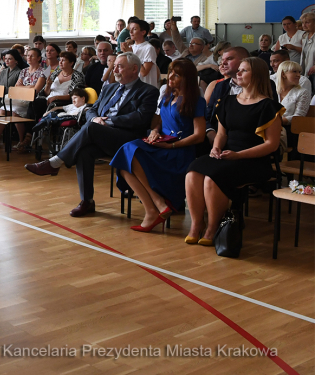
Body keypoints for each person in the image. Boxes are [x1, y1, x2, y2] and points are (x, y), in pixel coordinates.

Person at [24, 53, 160, 217]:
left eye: (120, 66)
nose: (114, 69)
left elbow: (140, 118)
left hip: (127, 140)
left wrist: (108, 121)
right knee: (84, 151)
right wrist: (95, 118)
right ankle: (87, 201)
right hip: (101, 133)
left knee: (91, 128)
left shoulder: (148, 91)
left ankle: (54, 163)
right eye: (114, 65)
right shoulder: (109, 87)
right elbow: (91, 109)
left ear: (134, 69)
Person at [185, 58, 282, 246]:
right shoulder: (228, 101)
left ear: (257, 75)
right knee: (193, 171)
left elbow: (272, 144)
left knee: (212, 177)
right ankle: (197, 224)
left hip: (254, 160)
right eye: (239, 70)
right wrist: (215, 148)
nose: (238, 73)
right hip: (228, 154)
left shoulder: (268, 106)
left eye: (243, 70)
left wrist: (238, 155)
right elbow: (221, 134)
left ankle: (213, 228)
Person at [110, 59, 206, 231]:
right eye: (170, 72)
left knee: (129, 150)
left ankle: (157, 207)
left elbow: (199, 135)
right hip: (163, 144)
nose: (170, 77)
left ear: (187, 78)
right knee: (124, 163)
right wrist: (155, 131)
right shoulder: (167, 96)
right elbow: (159, 122)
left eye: (177, 75)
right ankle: (155, 205)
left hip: (179, 151)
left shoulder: (197, 101)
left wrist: (173, 146)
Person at [4, 47, 48, 151]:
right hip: (21, 97)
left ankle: (25, 138)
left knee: (14, 110)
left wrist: (23, 87)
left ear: (38, 58)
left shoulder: (45, 71)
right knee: (4, 106)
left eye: (32, 56)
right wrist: (29, 86)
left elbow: (36, 90)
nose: (29, 57)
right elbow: (15, 87)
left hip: (35, 98)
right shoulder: (23, 71)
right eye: (28, 55)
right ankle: (1, 138)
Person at [203, 46, 248, 145]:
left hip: (245, 141)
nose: (223, 63)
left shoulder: (262, 85)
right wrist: (210, 132)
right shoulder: (220, 86)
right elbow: (208, 115)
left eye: (229, 59)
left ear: (244, 61)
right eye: (223, 60)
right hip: (217, 138)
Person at [275, 61, 311, 137]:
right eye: (294, 71)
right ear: (283, 74)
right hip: (271, 128)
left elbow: (298, 117)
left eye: (299, 72)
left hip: (290, 131)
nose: (298, 75)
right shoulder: (273, 90)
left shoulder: (303, 92)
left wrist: (275, 122)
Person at [123, 21, 159, 88]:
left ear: (143, 32)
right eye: (130, 29)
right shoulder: (132, 47)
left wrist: (132, 54)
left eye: (134, 29)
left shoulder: (149, 48)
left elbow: (144, 73)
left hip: (146, 88)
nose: (130, 32)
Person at [299, 12, 315, 83]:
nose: (304, 25)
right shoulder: (304, 37)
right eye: (302, 23)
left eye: (307, 22)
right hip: (307, 72)